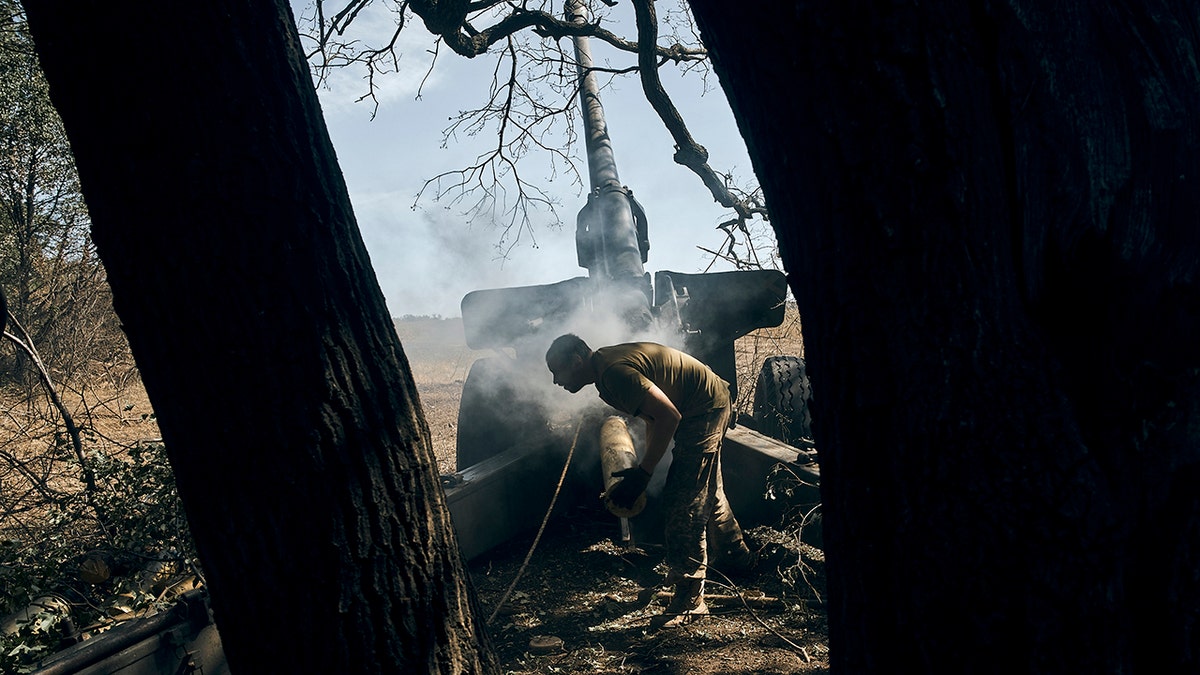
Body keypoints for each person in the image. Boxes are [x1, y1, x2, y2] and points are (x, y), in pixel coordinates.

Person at [545, 333, 755, 629]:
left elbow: (669, 415)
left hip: (705, 408)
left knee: (685, 503)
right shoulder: (604, 371)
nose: (556, 381)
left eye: (557, 371)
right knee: (707, 489)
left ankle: (691, 600)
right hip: (708, 401)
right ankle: (736, 555)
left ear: (577, 361)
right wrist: (643, 468)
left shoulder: (613, 374)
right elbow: (653, 417)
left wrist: (643, 474)